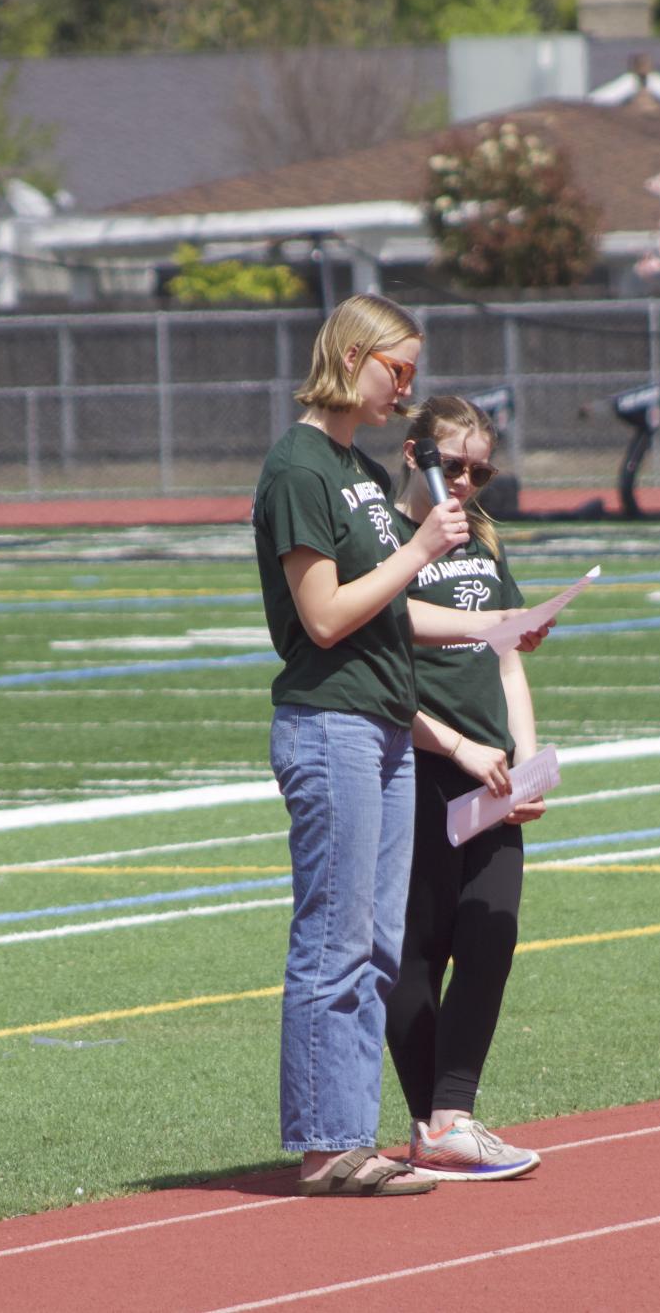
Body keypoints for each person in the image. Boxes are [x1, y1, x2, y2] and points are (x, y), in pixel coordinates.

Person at [252, 295, 545, 1198]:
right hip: (332, 719)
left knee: (375, 946)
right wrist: (420, 545)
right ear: (350, 355)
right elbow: (329, 614)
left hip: (378, 721)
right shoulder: (301, 465)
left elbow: (389, 606)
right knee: (334, 940)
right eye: (396, 370)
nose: (405, 389)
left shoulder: (353, 468)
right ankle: (323, 1145)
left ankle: (351, 1136)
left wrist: (494, 623)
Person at [383, 397, 545, 1183]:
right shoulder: (387, 535)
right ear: (415, 455)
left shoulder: (479, 532)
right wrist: (452, 744)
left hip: (493, 771)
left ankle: (452, 1115)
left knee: (492, 931)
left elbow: (508, 654)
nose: (469, 482)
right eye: (455, 466)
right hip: (418, 765)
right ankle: (434, 1121)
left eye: (482, 469)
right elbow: (374, 669)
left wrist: (527, 759)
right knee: (419, 947)